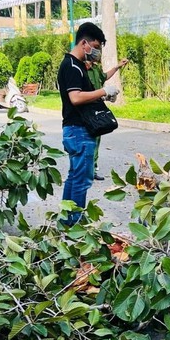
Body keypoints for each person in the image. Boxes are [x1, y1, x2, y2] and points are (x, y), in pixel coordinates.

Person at [57, 22, 119, 224]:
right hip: (79, 131)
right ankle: (75, 223)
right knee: (81, 181)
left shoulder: (77, 66)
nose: (96, 52)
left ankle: (66, 220)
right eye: (96, 47)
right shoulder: (73, 66)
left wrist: (103, 97)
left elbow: (84, 96)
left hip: (77, 130)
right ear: (84, 43)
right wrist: (103, 91)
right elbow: (75, 98)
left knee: (75, 177)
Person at [84, 53, 129, 181]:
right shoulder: (81, 70)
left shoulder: (96, 69)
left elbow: (104, 77)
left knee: (97, 139)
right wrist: (102, 94)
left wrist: (118, 66)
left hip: (97, 110)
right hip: (85, 111)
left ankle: (93, 169)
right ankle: (85, 170)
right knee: (87, 140)